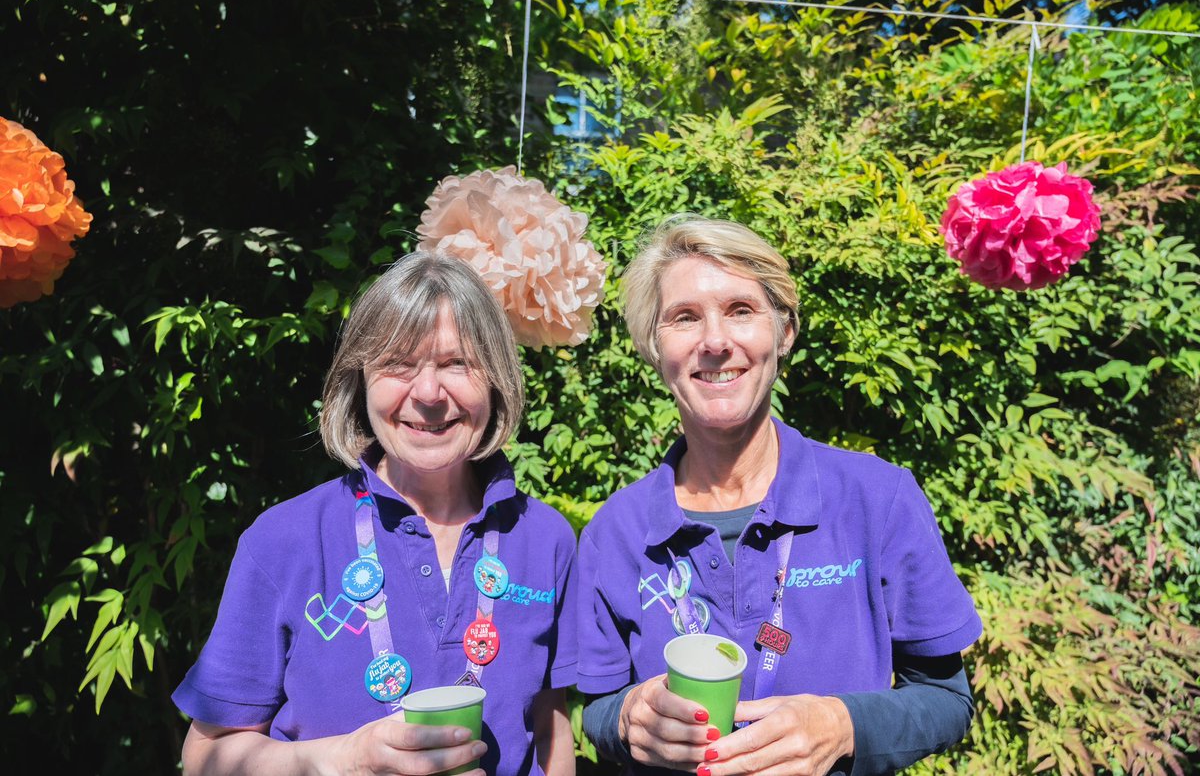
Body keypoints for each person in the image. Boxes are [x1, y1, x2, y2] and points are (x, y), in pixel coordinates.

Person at [578, 216, 982, 776]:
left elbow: (948, 699)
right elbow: (595, 708)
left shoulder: (878, 500)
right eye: (684, 318)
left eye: (741, 310)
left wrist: (843, 725)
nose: (715, 342)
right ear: (654, 347)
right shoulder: (615, 533)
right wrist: (626, 719)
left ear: (784, 332)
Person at [173, 252, 577, 776]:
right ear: (359, 379)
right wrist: (345, 759)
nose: (429, 394)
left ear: (496, 379)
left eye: (458, 363)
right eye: (398, 364)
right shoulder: (283, 540)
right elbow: (205, 756)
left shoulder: (543, 539)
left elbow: (550, 730)